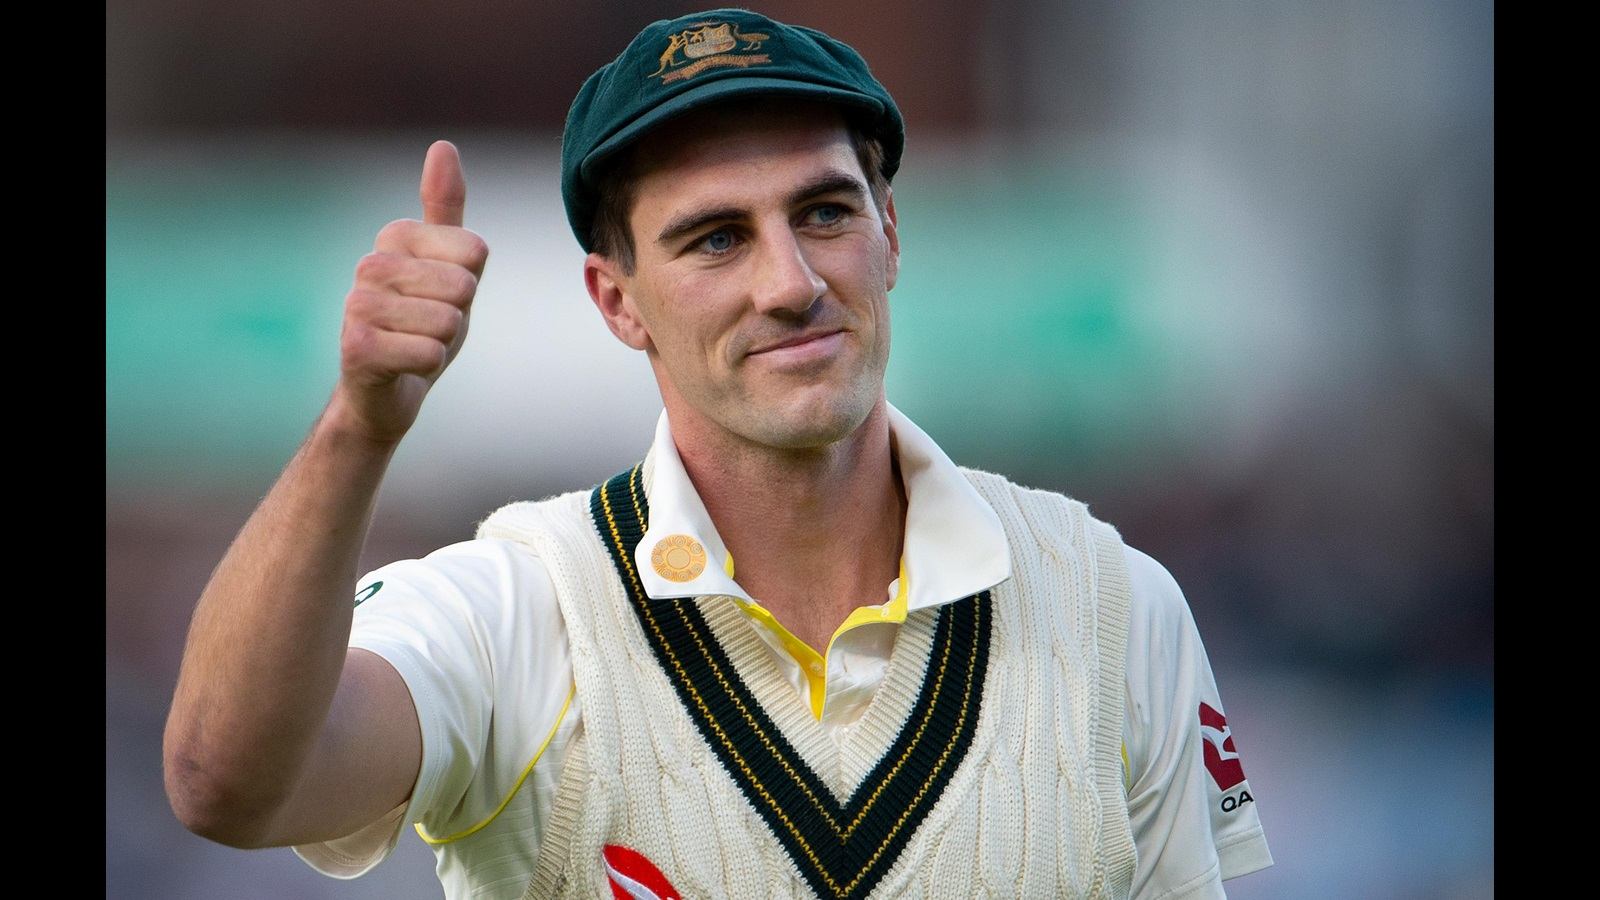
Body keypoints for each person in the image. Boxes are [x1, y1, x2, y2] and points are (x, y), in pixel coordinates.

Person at [163, 8, 1273, 899]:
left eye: (826, 213)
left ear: (891, 232)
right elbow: (228, 785)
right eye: (715, 238)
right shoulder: (520, 608)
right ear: (617, 301)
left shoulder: (1112, 604)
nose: (789, 282)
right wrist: (359, 426)